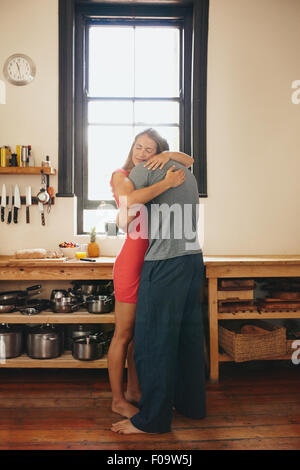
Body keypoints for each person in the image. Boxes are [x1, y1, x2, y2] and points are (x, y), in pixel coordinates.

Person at [111, 139, 206, 435]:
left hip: (163, 262)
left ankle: (151, 420)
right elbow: (188, 160)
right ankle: (191, 406)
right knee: (187, 338)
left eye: (149, 149)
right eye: (138, 147)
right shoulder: (184, 173)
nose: (142, 153)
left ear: (158, 154)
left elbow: (125, 217)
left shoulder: (143, 172)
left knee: (154, 344)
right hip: (192, 259)